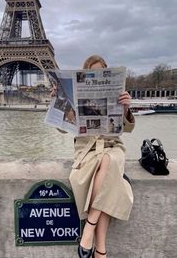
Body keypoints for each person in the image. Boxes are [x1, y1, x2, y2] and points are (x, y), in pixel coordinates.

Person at [51, 55, 135, 257]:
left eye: (100, 72)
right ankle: (101, 250)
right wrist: (58, 101)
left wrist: (126, 108)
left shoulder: (118, 95)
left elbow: (129, 128)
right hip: (87, 150)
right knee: (109, 178)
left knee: (107, 160)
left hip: (112, 146)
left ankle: (89, 228)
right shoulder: (75, 99)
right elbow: (62, 129)